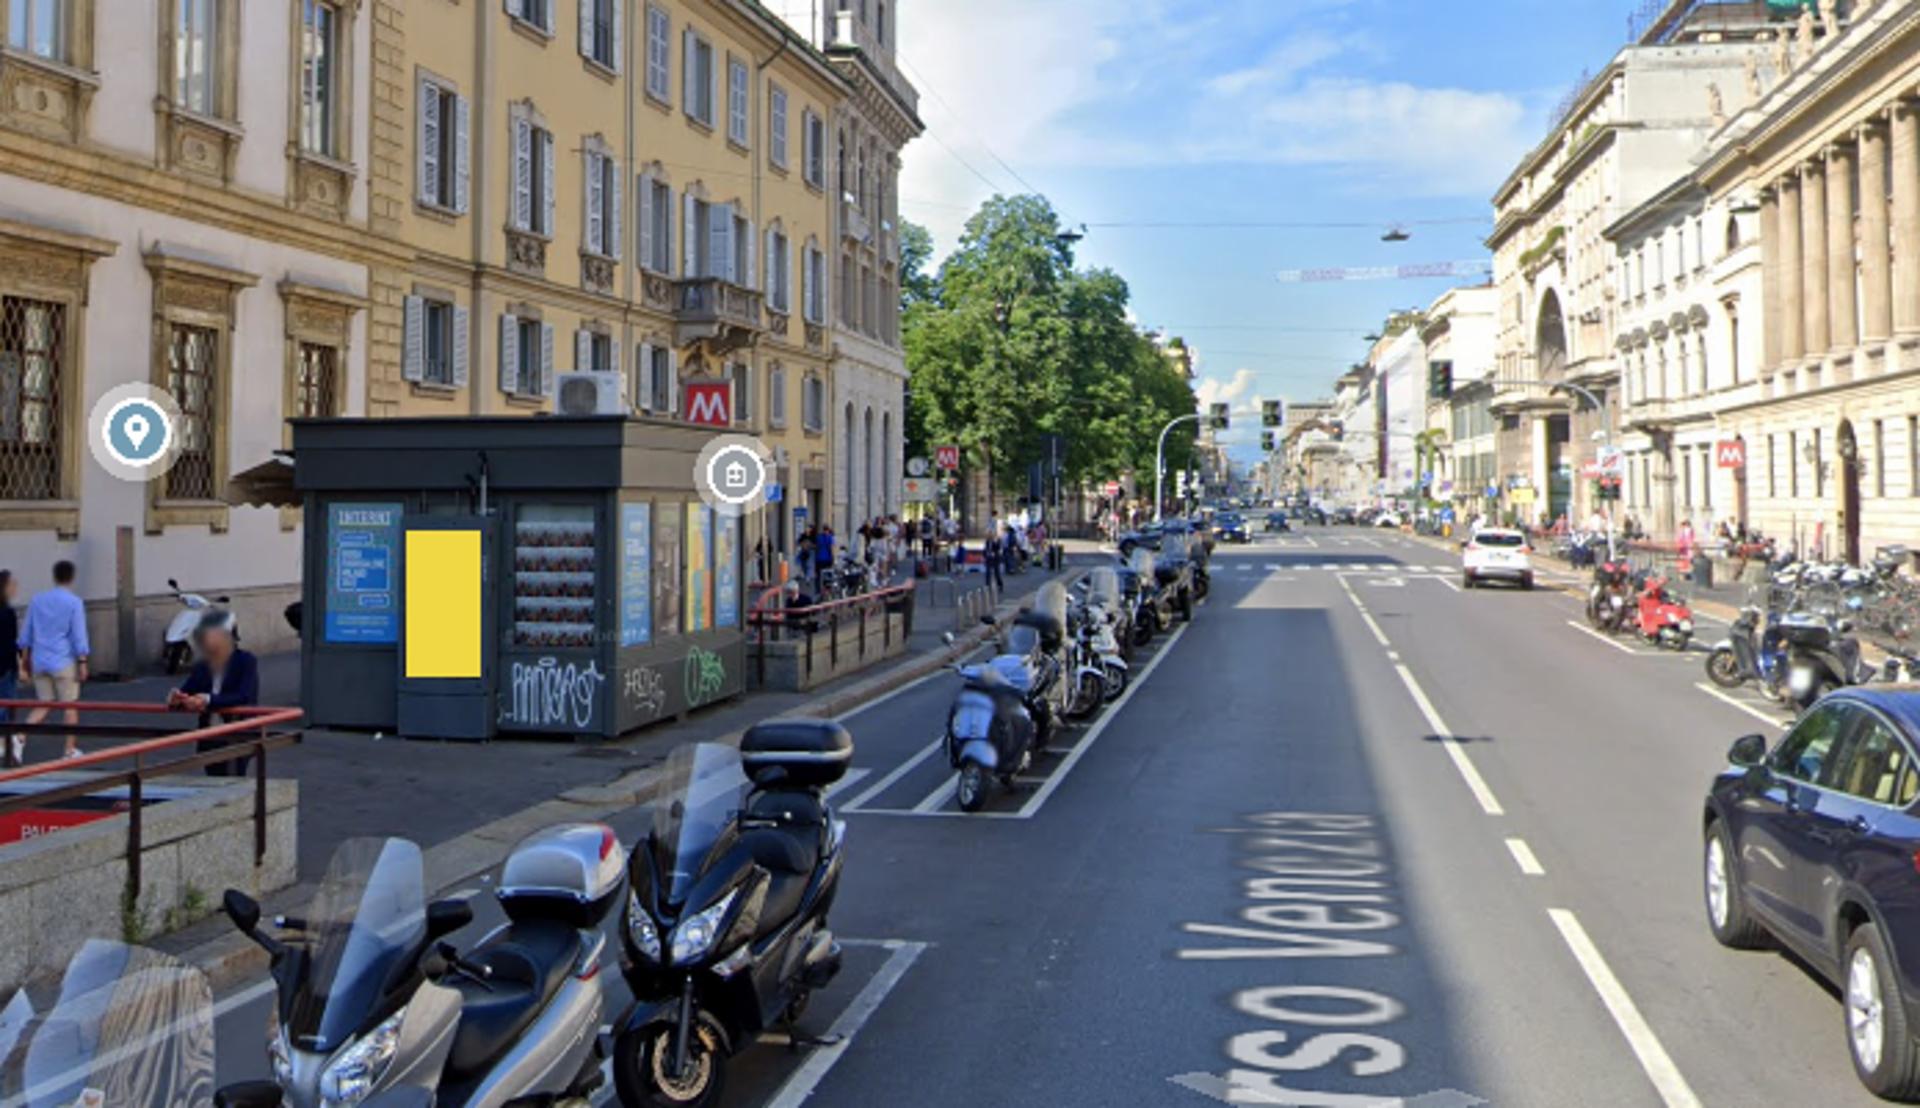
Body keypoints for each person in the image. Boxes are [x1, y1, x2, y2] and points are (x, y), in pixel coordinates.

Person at [167, 611, 259, 777]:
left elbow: (244, 695)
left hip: (237, 731)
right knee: (213, 776)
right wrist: (178, 697)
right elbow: (188, 689)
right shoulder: (203, 665)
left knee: (234, 777)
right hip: (210, 734)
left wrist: (208, 700)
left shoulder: (245, 661)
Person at [17, 560, 88, 760]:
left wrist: (25, 660)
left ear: (54, 576)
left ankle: (20, 736)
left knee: (44, 703)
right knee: (70, 705)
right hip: (63, 660)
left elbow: (26, 634)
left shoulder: (37, 600)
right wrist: (82, 661)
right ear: (71, 577)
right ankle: (69, 749)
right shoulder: (74, 603)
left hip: (40, 659)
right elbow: (78, 635)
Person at [0, 570, 19, 768]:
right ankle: (6, 747)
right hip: (6, 665)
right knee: (7, 705)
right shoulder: (8, 612)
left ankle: (7, 747)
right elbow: (12, 642)